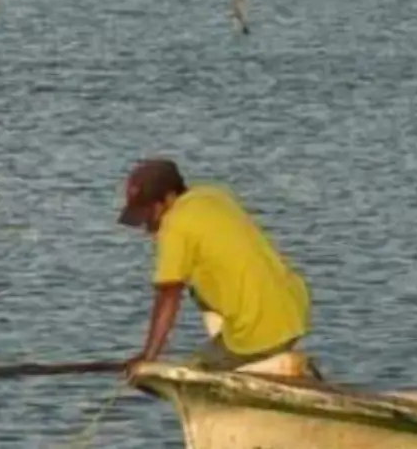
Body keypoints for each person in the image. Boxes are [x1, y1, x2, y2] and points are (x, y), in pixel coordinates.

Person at [118, 159, 312, 377]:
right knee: (198, 282)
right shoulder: (212, 195)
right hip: (294, 309)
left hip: (260, 329)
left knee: (194, 373)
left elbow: (168, 295)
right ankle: (257, 353)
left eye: (149, 215)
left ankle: (257, 358)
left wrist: (148, 357)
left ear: (169, 197)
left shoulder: (175, 225)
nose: (147, 227)